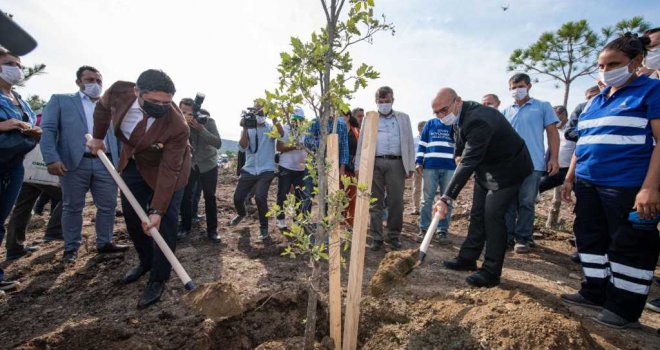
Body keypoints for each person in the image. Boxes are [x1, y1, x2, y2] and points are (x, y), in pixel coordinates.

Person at [559, 34, 660, 329]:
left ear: (637, 61)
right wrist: (569, 177)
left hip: (627, 184)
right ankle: (594, 291)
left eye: (613, 64)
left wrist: (651, 187)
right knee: (591, 239)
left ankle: (623, 309)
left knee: (629, 244)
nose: (605, 71)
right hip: (588, 183)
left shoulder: (651, 92)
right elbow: (584, 142)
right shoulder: (596, 101)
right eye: (601, 66)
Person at [87, 69, 191, 309]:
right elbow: (102, 111)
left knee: (163, 225)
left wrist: (157, 210)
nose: (161, 107)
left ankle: (158, 278)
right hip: (133, 163)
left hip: (168, 172)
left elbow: (169, 170)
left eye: (167, 102)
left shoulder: (178, 126)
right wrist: (98, 137)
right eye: (154, 102)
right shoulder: (118, 92)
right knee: (133, 219)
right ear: (137, 92)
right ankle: (145, 261)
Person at [432, 87, 532, 288]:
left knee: (492, 215)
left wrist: (446, 198)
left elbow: (468, 162)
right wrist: (458, 154)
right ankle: (467, 258)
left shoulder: (478, 118)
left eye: (444, 110)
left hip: (508, 170)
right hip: (485, 169)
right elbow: (461, 146)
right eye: (437, 113)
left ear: (457, 101)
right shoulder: (461, 116)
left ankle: (491, 272)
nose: (441, 116)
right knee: (477, 213)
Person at [41, 66, 127, 264]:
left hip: (106, 163)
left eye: (98, 80)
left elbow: (119, 137)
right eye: (89, 80)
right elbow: (48, 130)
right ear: (78, 82)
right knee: (72, 206)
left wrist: (121, 161)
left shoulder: (112, 108)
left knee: (108, 206)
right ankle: (71, 248)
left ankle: (105, 242)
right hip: (74, 163)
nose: (95, 84)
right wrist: (51, 158)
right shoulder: (61, 101)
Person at [501, 73, 560, 253]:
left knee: (526, 202)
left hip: (533, 163)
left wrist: (554, 158)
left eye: (519, 86)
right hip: (509, 165)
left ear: (528, 86)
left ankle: (523, 238)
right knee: (508, 203)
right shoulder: (505, 111)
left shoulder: (542, 107)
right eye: (512, 87)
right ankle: (507, 237)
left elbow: (552, 133)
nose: (515, 90)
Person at [0, 48, 40, 291]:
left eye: (19, 65)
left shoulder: (19, 100)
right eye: (9, 63)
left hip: (13, 164)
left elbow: (29, 126)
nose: (17, 69)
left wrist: (33, 131)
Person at [356, 86, 415, 251]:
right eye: (380, 102)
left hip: (396, 163)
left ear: (392, 100)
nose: (384, 104)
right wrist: (359, 166)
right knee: (375, 201)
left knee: (396, 202)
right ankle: (376, 237)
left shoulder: (403, 118)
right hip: (374, 164)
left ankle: (394, 236)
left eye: (387, 101)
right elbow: (362, 143)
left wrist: (410, 165)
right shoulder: (369, 119)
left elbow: (409, 142)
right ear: (376, 102)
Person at [229, 102, 283, 241]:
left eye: (261, 110)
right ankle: (242, 213)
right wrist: (246, 129)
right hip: (250, 168)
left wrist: (274, 116)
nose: (258, 113)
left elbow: (281, 134)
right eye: (256, 110)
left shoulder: (270, 128)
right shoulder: (248, 127)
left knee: (260, 197)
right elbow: (242, 147)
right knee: (238, 198)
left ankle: (264, 228)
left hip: (267, 168)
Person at [177, 99, 221, 243]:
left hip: (208, 164)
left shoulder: (208, 121)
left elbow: (217, 143)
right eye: (183, 112)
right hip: (189, 164)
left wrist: (201, 129)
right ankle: (185, 228)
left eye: (189, 113)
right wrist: (183, 124)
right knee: (186, 197)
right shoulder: (177, 122)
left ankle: (212, 231)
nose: (187, 116)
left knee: (210, 197)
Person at [417, 110, 457, 244]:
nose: (439, 114)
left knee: (447, 200)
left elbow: (461, 145)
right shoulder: (430, 123)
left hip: (450, 167)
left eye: (443, 110)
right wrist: (418, 161)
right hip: (430, 166)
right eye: (436, 112)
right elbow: (422, 143)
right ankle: (424, 229)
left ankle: (442, 231)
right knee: (426, 199)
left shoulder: (456, 124)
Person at [275, 106, 308, 229]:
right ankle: (280, 219)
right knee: (282, 194)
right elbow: (279, 147)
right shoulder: (285, 130)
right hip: (286, 167)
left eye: (300, 119)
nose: (297, 122)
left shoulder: (305, 131)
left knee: (299, 195)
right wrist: (294, 146)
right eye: (295, 119)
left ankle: (297, 220)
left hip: (300, 169)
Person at [538, 106, 575, 193]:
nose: (552, 119)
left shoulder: (573, 129)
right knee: (537, 187)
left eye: (555, 115)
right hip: (555, 169)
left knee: (583, 196)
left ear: (563, 114)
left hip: (571, 170)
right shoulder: (553, 129)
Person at [342, 108, 360, 226]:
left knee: (351, 196)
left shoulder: (355, 131)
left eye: (341, 116)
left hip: (351, 169)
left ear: (348, 117)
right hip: (338, 168)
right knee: (338, 195)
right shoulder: (335, 131)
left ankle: (350, 223)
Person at [410, 121, 426, 216]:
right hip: (417, 165)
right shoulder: (414, 140)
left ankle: (425, 209)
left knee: (428, 188)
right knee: (417, 187)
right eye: (424, 127)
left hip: (429, 165)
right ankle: (416, 208)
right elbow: (411, 152)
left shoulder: (431, 139)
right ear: (419, 128)